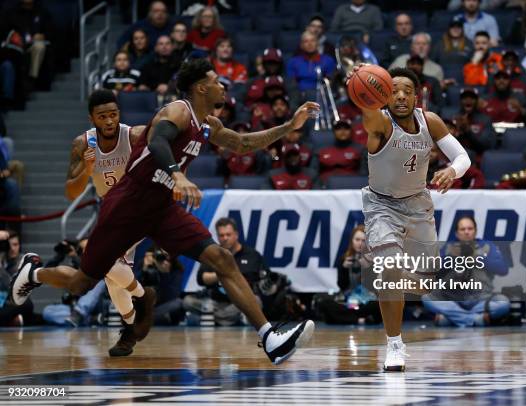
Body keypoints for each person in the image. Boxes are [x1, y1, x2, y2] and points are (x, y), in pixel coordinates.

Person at [10, 58, 317, 365]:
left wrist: (289, 126)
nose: (222, 85)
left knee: (221, 258)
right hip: (128, 204)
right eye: (216, 80)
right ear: (200, 87)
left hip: (161, 208)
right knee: (82, 283)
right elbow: (158, 141)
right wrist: (178, 175)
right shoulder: (177, 111)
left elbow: (242, 144)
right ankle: (33, 272)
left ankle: (269, 337)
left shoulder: (208, 124)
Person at [347, 64, 470, 371]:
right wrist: (360, 88)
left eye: (407, 91)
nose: (400, 96)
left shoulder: (430, 121)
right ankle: (394, 344)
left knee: (424, 285)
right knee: (390, 269)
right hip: (382, 205)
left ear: (418, 96)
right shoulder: (380, 122)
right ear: (384, 95)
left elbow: (462, 157)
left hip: (418, 205)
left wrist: (451, 171)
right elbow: (369, 110)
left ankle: (396, 284)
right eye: (393, 91)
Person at [63, 89, 154, 356]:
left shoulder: (134, 135)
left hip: (140, 208)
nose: (110, 121)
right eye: (103, 116)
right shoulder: (82, 144)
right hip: (112, 212)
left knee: (103, 262)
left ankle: (141, 298)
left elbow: (165, 151)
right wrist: (87, 171)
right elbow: (70, 191)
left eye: (114, 114)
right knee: (113, 276)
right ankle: (131, 326)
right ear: (92, 118)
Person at [422, 216, 510, 327]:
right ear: (457, 233)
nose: (467, 232)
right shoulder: (449, 248)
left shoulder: (486, 246)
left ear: (475, 231)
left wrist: (478, 258)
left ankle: (453, 319)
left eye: (470, 228)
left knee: (503, 303)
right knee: (426, 298)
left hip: (481, 299)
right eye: (463, 229)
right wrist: (451, 258)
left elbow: (503, 269)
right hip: (454, 300)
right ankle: (474, 320)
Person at [315, 225, 381, 324]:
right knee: (325, 304)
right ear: (352, 241)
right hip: (350, 303)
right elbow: (342, 286)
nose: (360, 243)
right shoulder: (345, 259)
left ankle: (344, 318)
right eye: (357, 240)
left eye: (363, 240)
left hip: (367, 302)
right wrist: (344, 269)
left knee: (380, 305)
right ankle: (361, 320)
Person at [310, 119, 365, 183]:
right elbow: (313, 172)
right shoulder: (321, 150)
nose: (342, 131)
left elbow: (363, 173)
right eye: (338, 129)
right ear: (333, 132)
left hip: (351, 185)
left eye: (346, 128)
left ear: (351, 131)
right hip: (325, 186)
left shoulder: (359, 149)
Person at [452, 88, 496, 158]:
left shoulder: (485, 120)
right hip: (455, 159)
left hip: (477, 159)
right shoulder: (452, 118)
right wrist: (457, 131)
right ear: (460, 101)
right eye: (465, 98)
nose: (468, 100)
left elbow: (486, 145)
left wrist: (468, 130)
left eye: (472, 98)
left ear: (477, 101)